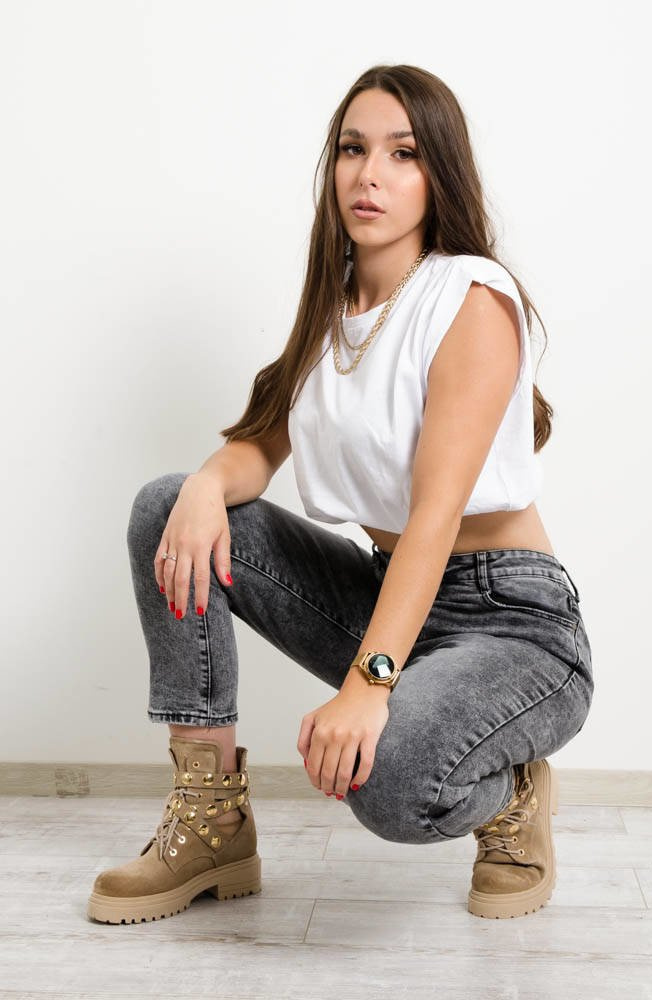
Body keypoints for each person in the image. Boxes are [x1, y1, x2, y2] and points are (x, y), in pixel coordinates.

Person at [87, 64, 594, 925]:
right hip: (391, 595)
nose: (371, 174)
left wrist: (369, 685)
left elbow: (435, 516)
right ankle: (211, 819)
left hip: (511, 622)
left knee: (388, 780)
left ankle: (510, 792)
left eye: (404, 153)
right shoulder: (334, 309)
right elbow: (261, 444)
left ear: (438, 175)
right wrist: (207, 484)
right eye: (354, 150)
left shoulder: (470, 298)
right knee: (166, 507)